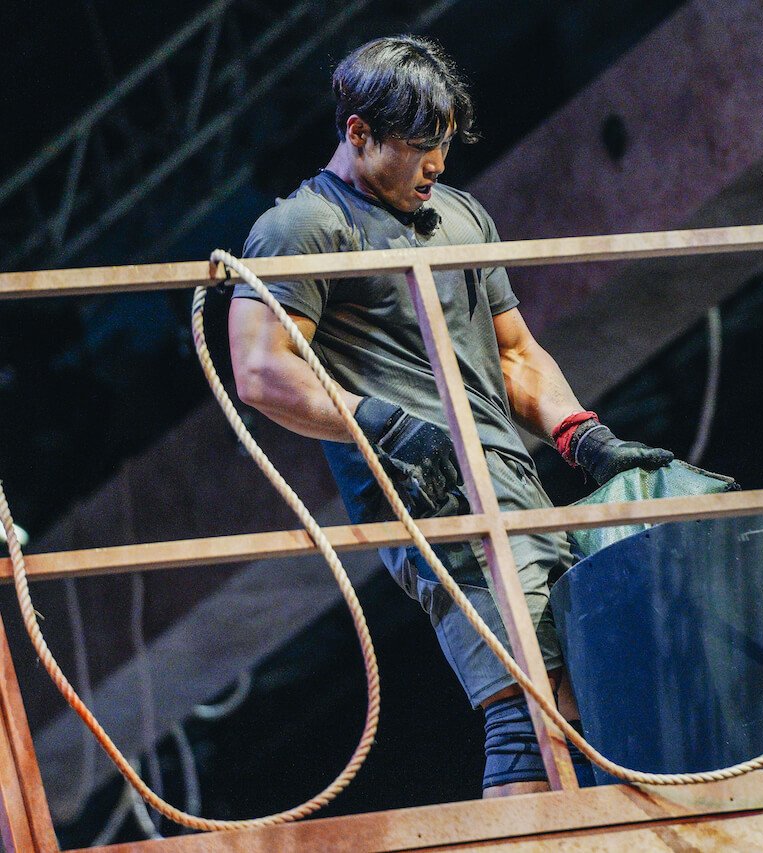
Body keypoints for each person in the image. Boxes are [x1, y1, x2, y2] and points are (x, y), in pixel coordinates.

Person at [227, 35, 672, 798]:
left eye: (444, 144)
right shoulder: (301, 227)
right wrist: (385, 424)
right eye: (419, 145)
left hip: (516, 484)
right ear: (358, 132)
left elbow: (514, 352)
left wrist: (581, 434)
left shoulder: (460, 215)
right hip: (427, 497)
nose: (437, 163)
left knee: (571, 686)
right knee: (534, 697)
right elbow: (262, 371)